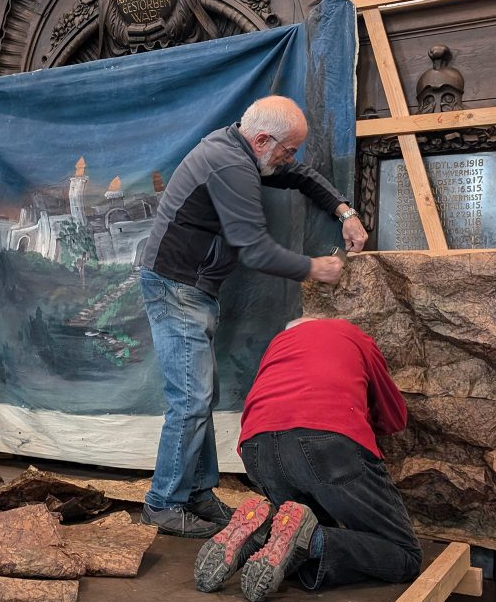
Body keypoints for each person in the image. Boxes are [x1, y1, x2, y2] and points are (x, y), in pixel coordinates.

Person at [138, 95, 368, 538]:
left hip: (192, 287)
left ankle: (197, 495)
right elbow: (255, 249)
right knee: (189, 400)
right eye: (286, 150)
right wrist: (315, 268)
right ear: (263, 139)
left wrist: (346, 212)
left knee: (198, 396)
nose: (290, 159)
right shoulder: (231, 165)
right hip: (176, 287)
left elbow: (298, 176)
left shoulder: (244, 148)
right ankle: (163, 504)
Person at [193, 317, 422, 601]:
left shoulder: (279, 344)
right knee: (405, 554)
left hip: (257, 447)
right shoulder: (354, 336)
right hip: (326, 440)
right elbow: (394, 416)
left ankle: (260, 533)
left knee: (296, 529)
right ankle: (311, 541)